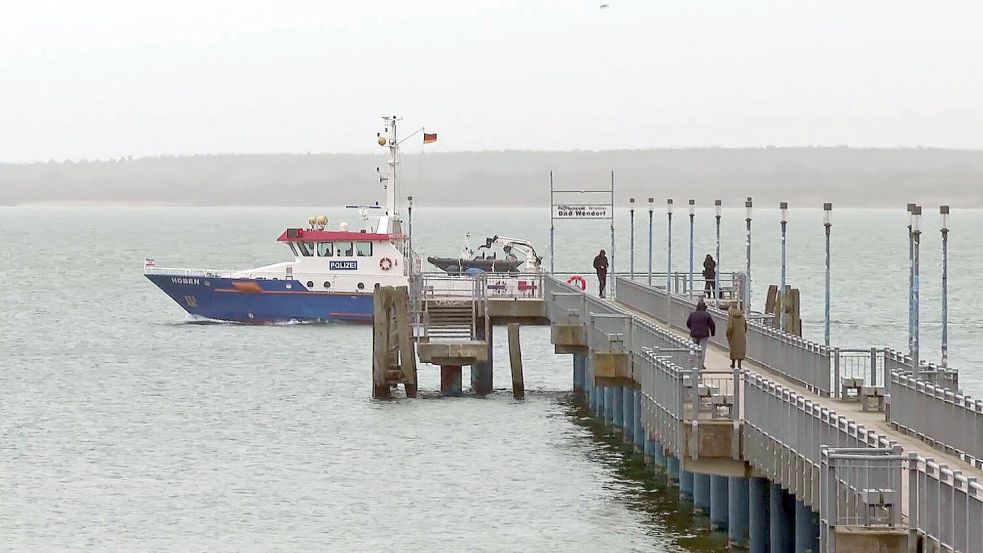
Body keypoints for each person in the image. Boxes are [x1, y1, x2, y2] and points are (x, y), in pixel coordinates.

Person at [685, 300, 715, 369]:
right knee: (702, 349)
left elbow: (688, 323)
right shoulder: (706, 315)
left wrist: (692, 329)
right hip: (704, 335)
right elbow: (712, 324)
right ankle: (701, 364)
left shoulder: (692, 314)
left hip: (694, 334)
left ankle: (694, 364)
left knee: (694, 349)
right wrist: (712, 332)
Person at [725, 303, 747, 369]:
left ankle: (733, 363)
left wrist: (728, 334)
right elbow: (745, 326)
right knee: (740, 350)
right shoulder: (742, 317)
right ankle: (739, 364)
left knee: (733, 350)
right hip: (741, 336)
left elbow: (730, 327)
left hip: (733, 336)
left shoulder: (731, 317)